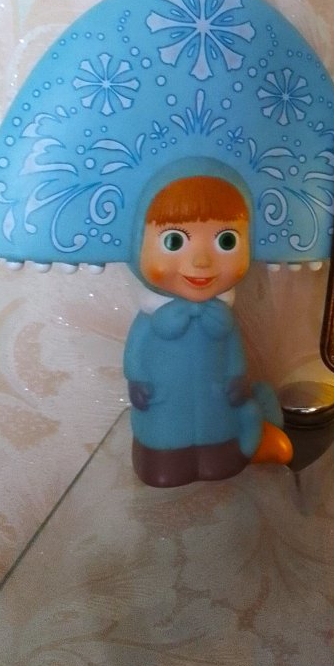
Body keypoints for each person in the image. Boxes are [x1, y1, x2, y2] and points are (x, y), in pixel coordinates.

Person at [124, 175, 292, 487]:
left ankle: (224, 451)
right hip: (164, 403)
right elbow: (136, 350)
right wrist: (137, 379)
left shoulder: (221, 316)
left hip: (216, 403)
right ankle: (162, 457)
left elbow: (233, 349)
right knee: (166, 444)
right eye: (174, 241)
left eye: (226, 241)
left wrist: (236, 376)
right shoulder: (151, 318)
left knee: (219, 440)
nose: (201, 261)